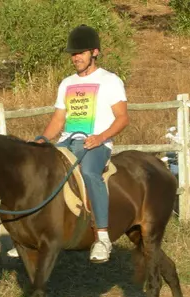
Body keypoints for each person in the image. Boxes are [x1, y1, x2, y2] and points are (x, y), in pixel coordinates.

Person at [35, 24, 130, 263]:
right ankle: (34, 235)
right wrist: (43, 140)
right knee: (40, 172)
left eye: (80, 53)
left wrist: (101, 137)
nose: (75, 57)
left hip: (97, 143)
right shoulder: (66, 83)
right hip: (68, 141)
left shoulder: (110, 81)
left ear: (94, 53)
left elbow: (123, 118)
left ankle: (102, 238)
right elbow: (58, 119)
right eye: (73, 54)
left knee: (89, 173)